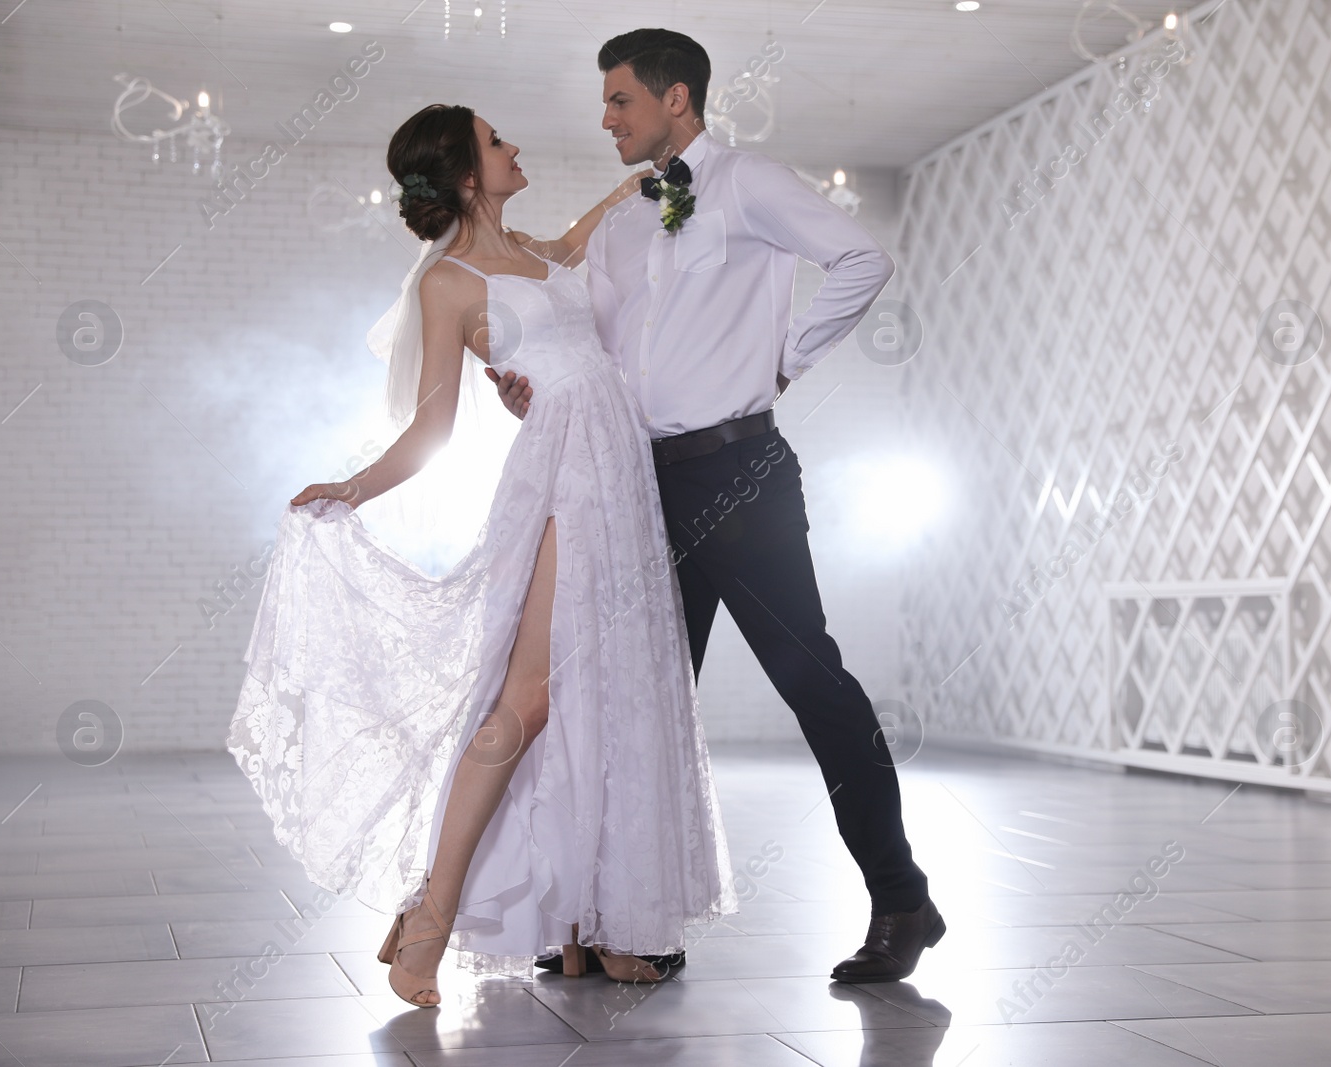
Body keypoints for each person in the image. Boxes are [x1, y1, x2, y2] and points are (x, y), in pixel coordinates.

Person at [227, 103, 736, 1009]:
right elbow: (431, 428)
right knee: (528, 699)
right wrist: (350, 487)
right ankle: (430, 916)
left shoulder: (538, 248)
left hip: (622, 479)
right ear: (467, 174)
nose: (513, 146)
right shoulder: (449, 283)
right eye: (497, 141)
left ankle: (593, 926)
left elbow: (584, 241)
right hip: (562, 481)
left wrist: (656, 174)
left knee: (607, 691)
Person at [493, 28, 942, 984]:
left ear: (678, 100)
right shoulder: (619, 223)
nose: (605, 117)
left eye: (620, 100)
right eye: (605, 100)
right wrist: (535, 387)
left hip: (741, 477)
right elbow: (602, 356)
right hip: (642, 483)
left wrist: (784, 359)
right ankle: (628, 921)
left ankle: (902, 899)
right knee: (641, 703)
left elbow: (862, 260)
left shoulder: (748, 183)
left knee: (811, 680)